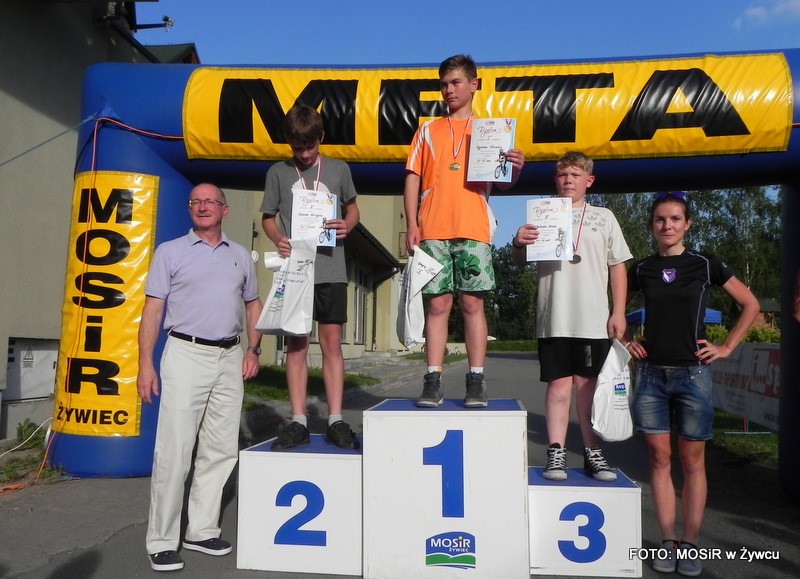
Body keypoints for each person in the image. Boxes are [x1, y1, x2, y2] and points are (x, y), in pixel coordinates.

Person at [624, 191, 759, 576]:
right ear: (652, 225)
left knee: (692, 462)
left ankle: (691, 543)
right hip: (650, 375)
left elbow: (750, 304)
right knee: (659, 459)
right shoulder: (642, 268)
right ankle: (668, 541)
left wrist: (726, 346)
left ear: (688, 224)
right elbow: (613, 308)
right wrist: (626, 340)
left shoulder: (705, 263)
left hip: (693, 375)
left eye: (675, 219)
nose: (667, 226)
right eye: (660, 219)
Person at [137, 183, 263, 572]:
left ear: (225, 210)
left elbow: (253, 305)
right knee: (175, 450)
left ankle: (202, 529)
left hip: (230, 356)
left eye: (211, 201)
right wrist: (145, 363)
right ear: (190, 209)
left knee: (220, 448)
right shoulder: (170, 252)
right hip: (185, 353)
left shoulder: (240, 256)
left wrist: (254, 350)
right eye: (196, 201)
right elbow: (153, 309)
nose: (203, 206)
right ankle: (162, 540)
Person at [404, 53, 524, 408]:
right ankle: (433, 379)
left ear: (474, 84)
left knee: (473, 303)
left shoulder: (491, 131)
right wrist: (411, 223)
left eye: (456, 82)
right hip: (433, 227)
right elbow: (412, 178)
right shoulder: (427, 130)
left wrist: (515, 169)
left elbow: (502, 184)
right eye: (443, 84)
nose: (449, 90)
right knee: (437, 304)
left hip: (474, 226)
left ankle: (476, 379)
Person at [511, 151, 631, 481]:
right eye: (563, 175)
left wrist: (619, 311)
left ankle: (593, 453)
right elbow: (519, 262)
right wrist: (518, 243)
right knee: (559, 386)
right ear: (555, 179)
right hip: (554, 316)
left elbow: (618, 266)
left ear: (589, 181)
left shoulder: (604, 217)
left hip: (593, 318)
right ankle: (556, 453)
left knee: (588, 388)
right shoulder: (541, 214)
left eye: (575, 175)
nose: (568, 180)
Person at [261, 103, 361, 451]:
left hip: (331, 267)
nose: (303, 154)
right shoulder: (278, 172)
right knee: (297, 345)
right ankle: (299, 419)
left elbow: (353, 209)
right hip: (296, 270)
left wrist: (347, 224)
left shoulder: (338, 169)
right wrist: (278, 238)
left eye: (309, 146)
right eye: (297, 147)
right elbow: (268, 217)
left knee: (331, 343)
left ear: (321, 138)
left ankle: (335, 418)